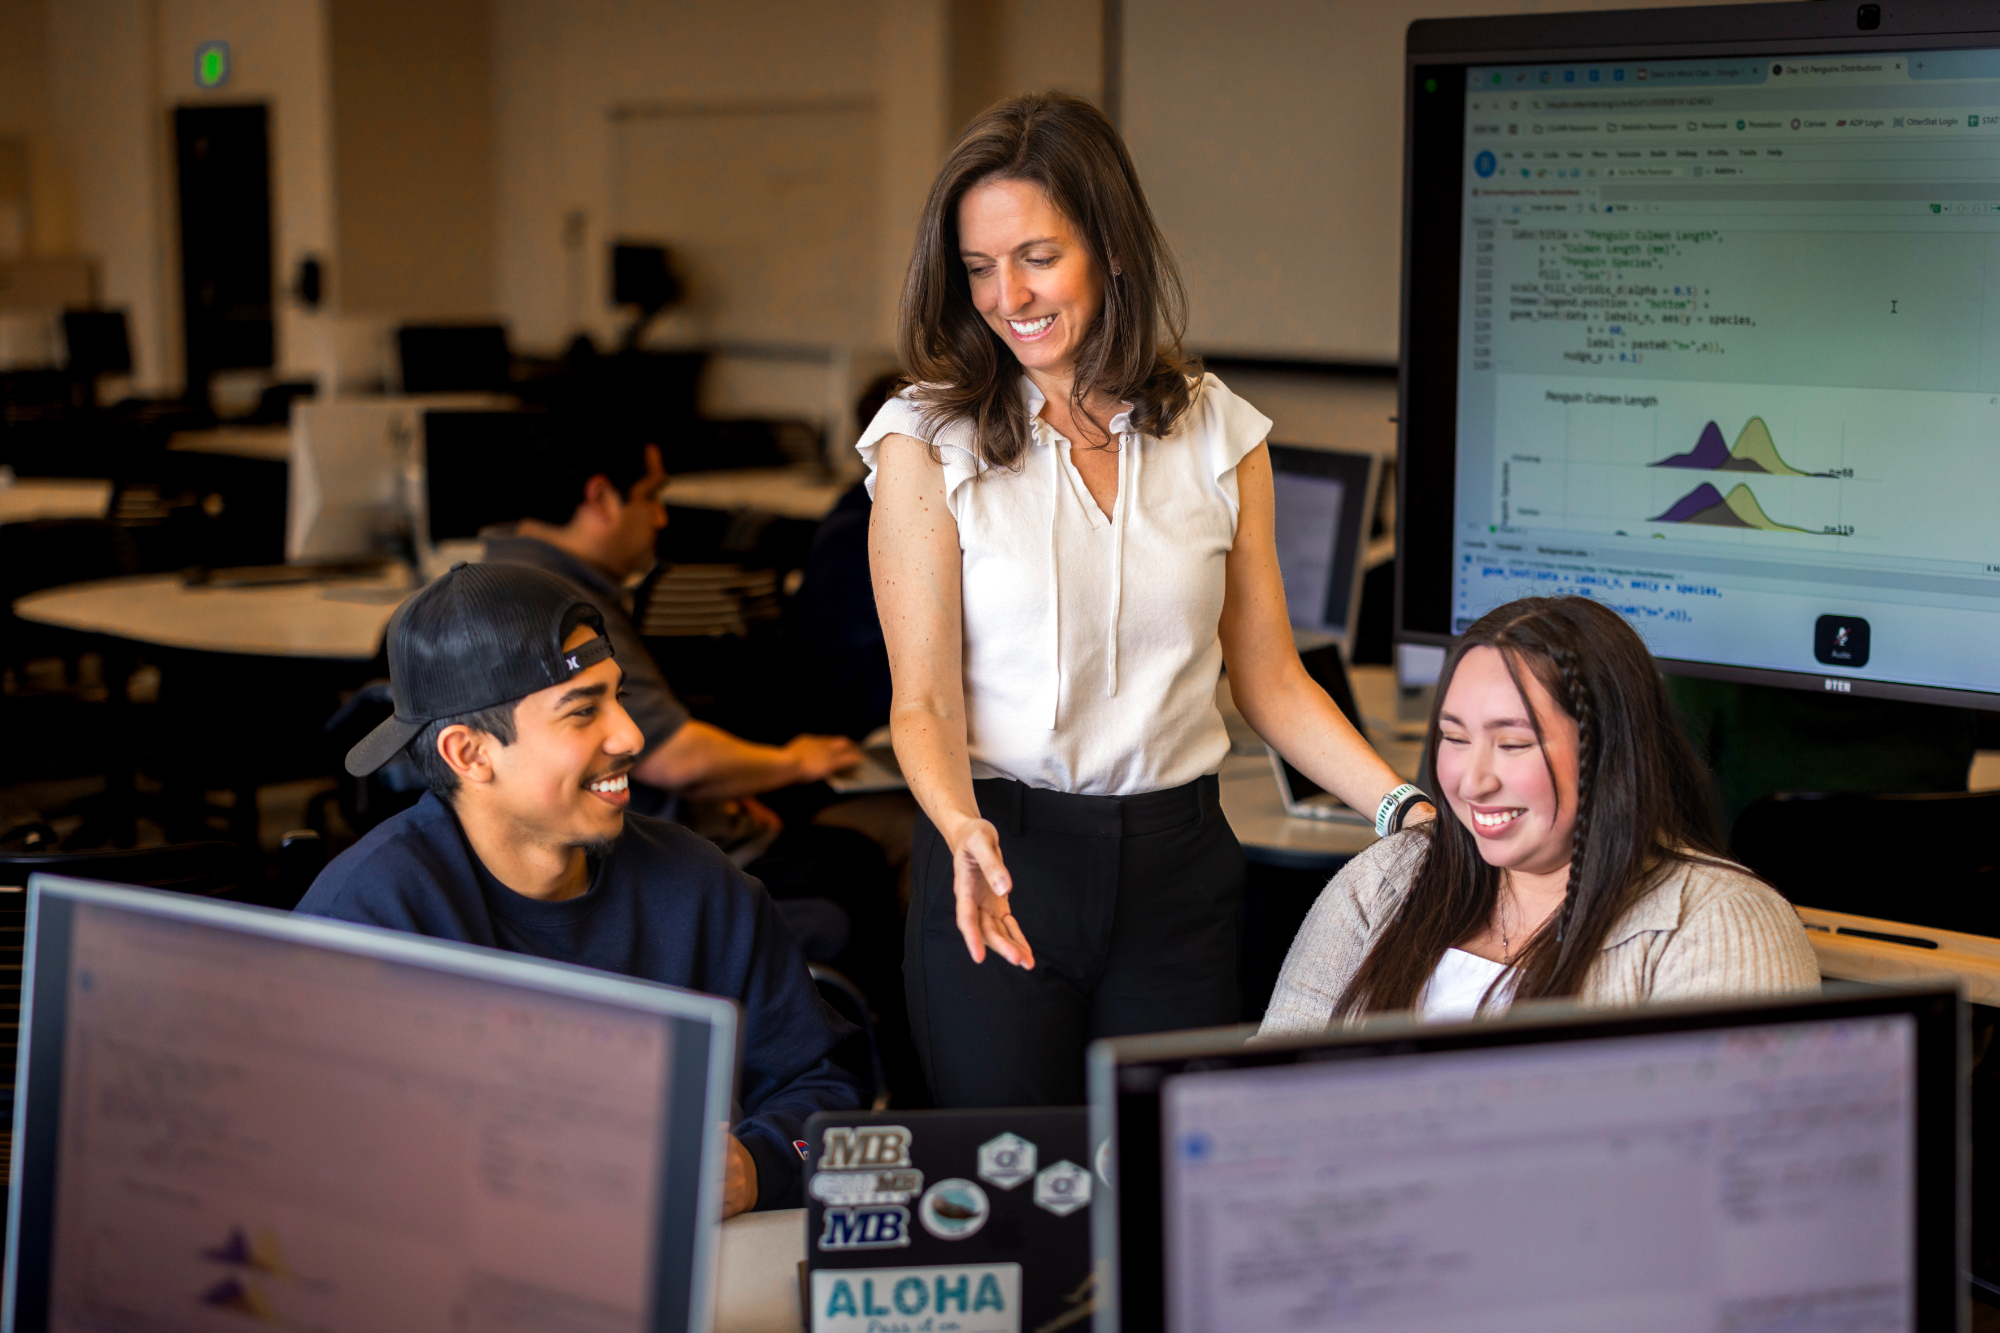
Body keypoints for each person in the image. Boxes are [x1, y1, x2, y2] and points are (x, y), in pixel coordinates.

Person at [864, 93, 1429, 1106]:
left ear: (1111, 248)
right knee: (1021, 1201)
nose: (1008, 296)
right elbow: (923, 702)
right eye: (980, 268)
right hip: (998, 858)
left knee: (1165, 1203)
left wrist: (1402, 809)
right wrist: (956, 826)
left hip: (1180, 872)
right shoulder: (924, 442)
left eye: (1036, 256)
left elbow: (1268, 680)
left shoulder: (1214, 431)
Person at [295, 562, 863, 1213]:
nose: (630, 734)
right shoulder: (365, 922)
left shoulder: (701, 886)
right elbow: (313, 1167)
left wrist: (759, 1165)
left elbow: (829, 1088)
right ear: (469, 753)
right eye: (583, 711)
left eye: (618, 696)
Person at [1258, 596, 1820, 1036]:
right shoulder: (1385, 879)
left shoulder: (1719, 923)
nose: (1472, 781)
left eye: (1514, 744)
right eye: (1454, 738)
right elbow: (1265, 1103)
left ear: (1608, 754)